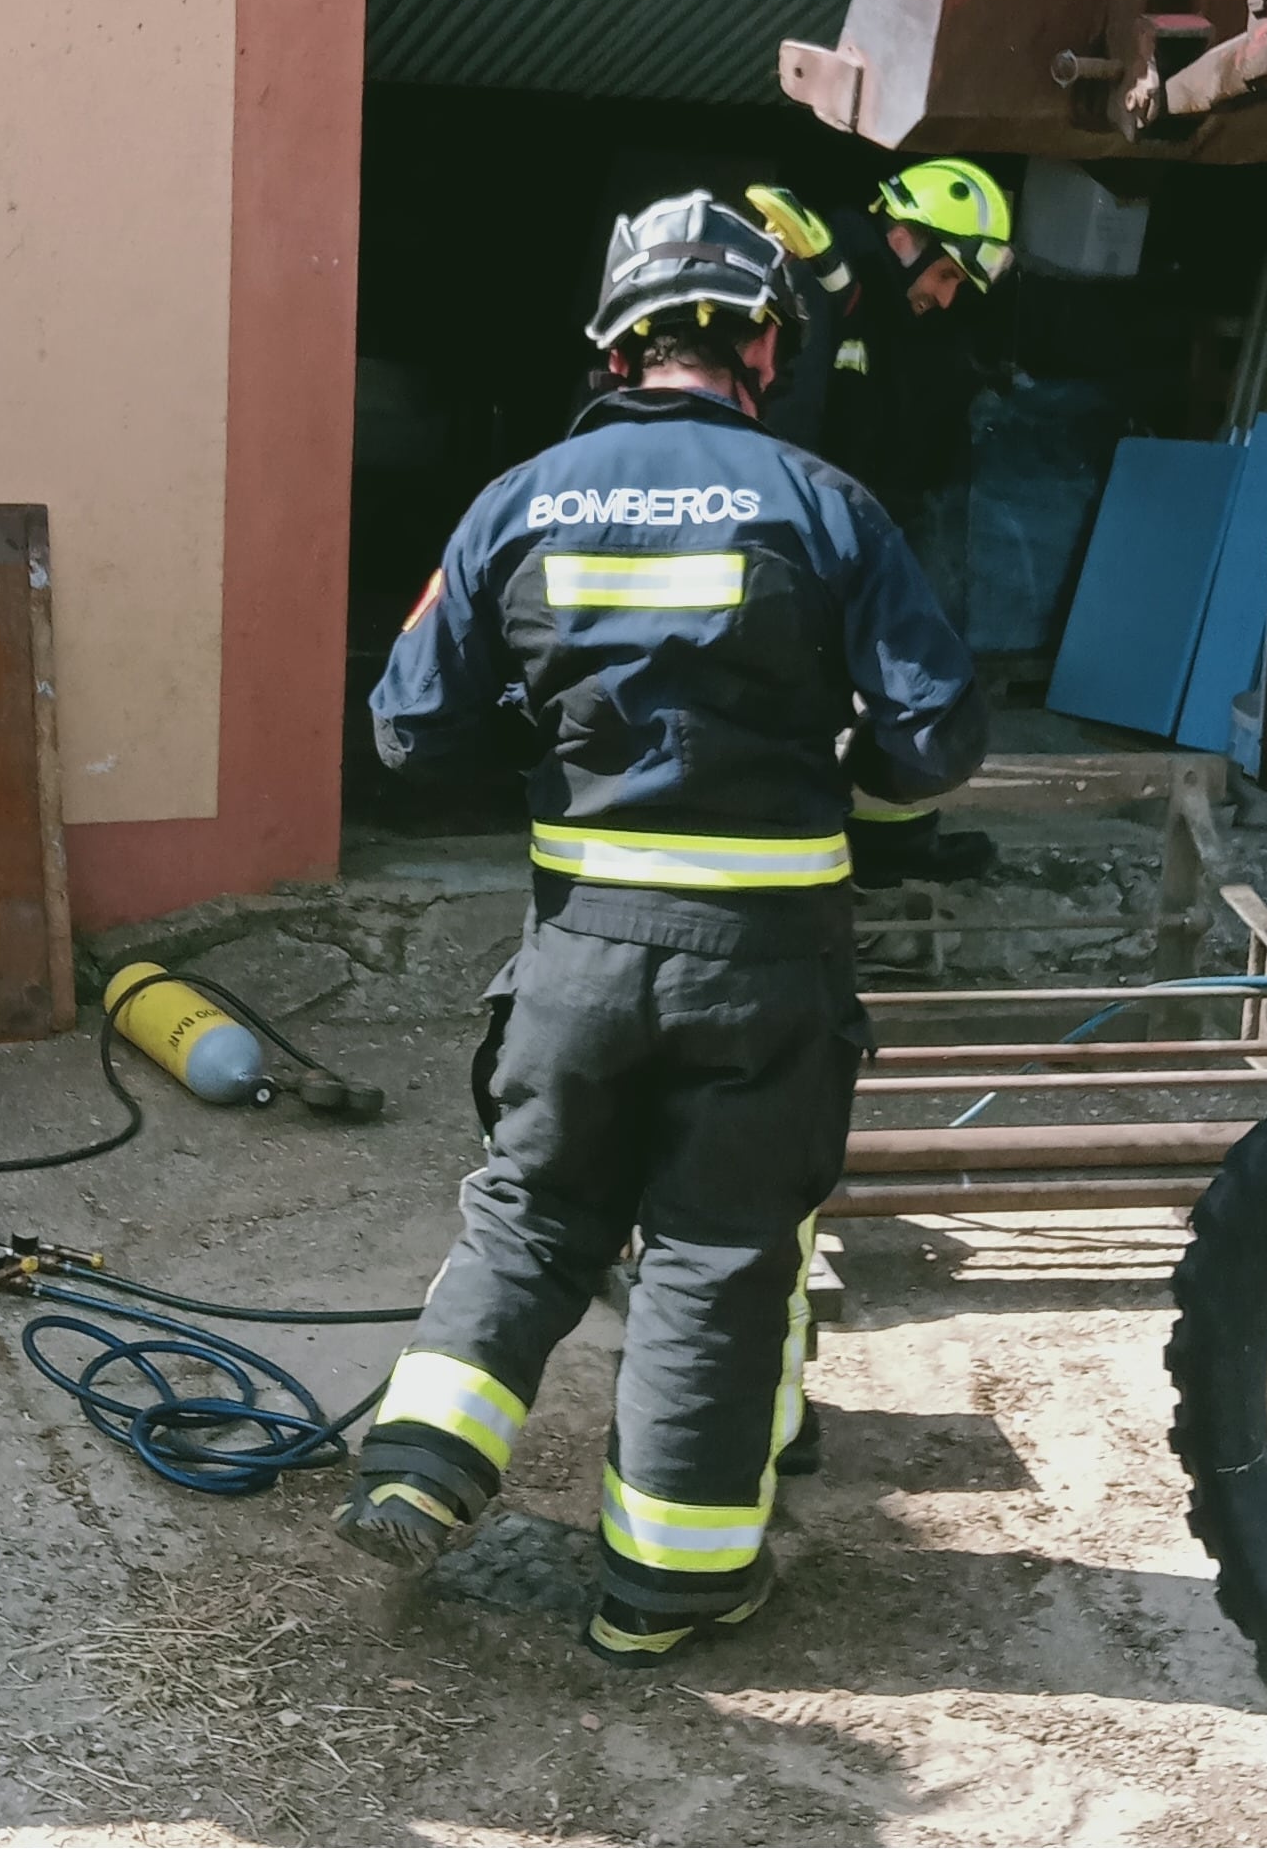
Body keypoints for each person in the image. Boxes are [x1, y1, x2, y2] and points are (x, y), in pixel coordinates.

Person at [334, 190, 986, 1664]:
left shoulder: (518, 502)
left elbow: (408, 736)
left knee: (532, 1207)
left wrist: (550, 736)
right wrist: (858, 787)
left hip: (577, 951)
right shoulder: (825, 502)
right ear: (763, 339)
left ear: (614, 343)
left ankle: (421, 1462)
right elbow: (935, 736)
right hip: (764, 966)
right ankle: (667, 1592)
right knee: (716, 1248)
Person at [748, 161, 1014, 886]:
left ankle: (895, 843)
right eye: (948, 275)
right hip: (807, 541)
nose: (947, 297)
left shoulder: (885, 310)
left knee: (894, 686)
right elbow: (789, 420)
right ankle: (837, 854)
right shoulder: (823, 279)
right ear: (906, 237)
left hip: (867, 532)